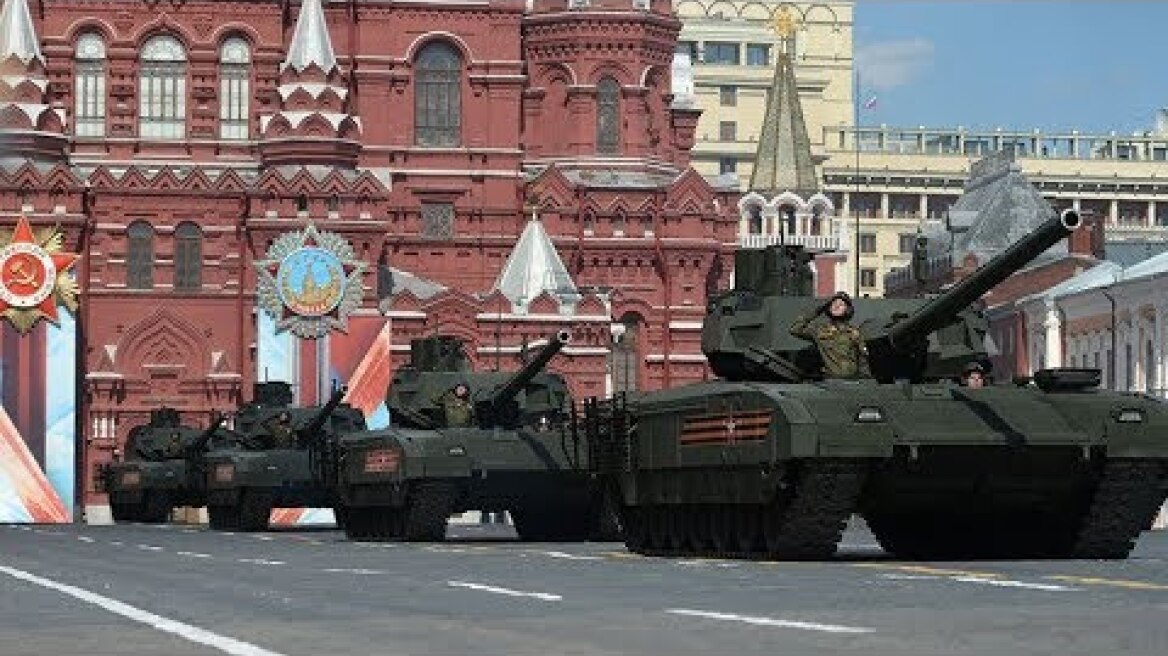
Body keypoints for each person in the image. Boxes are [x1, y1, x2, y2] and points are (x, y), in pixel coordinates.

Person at [790, 291, 871, 379]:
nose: (836, 306)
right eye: (834, 303)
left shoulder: (854, 332)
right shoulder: (820, 330)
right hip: (829, 379)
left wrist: (864, 378)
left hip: (852, 380)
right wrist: (817, 311)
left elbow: (863, 357)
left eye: (841, 304)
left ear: (847, 309)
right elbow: (795, 329)